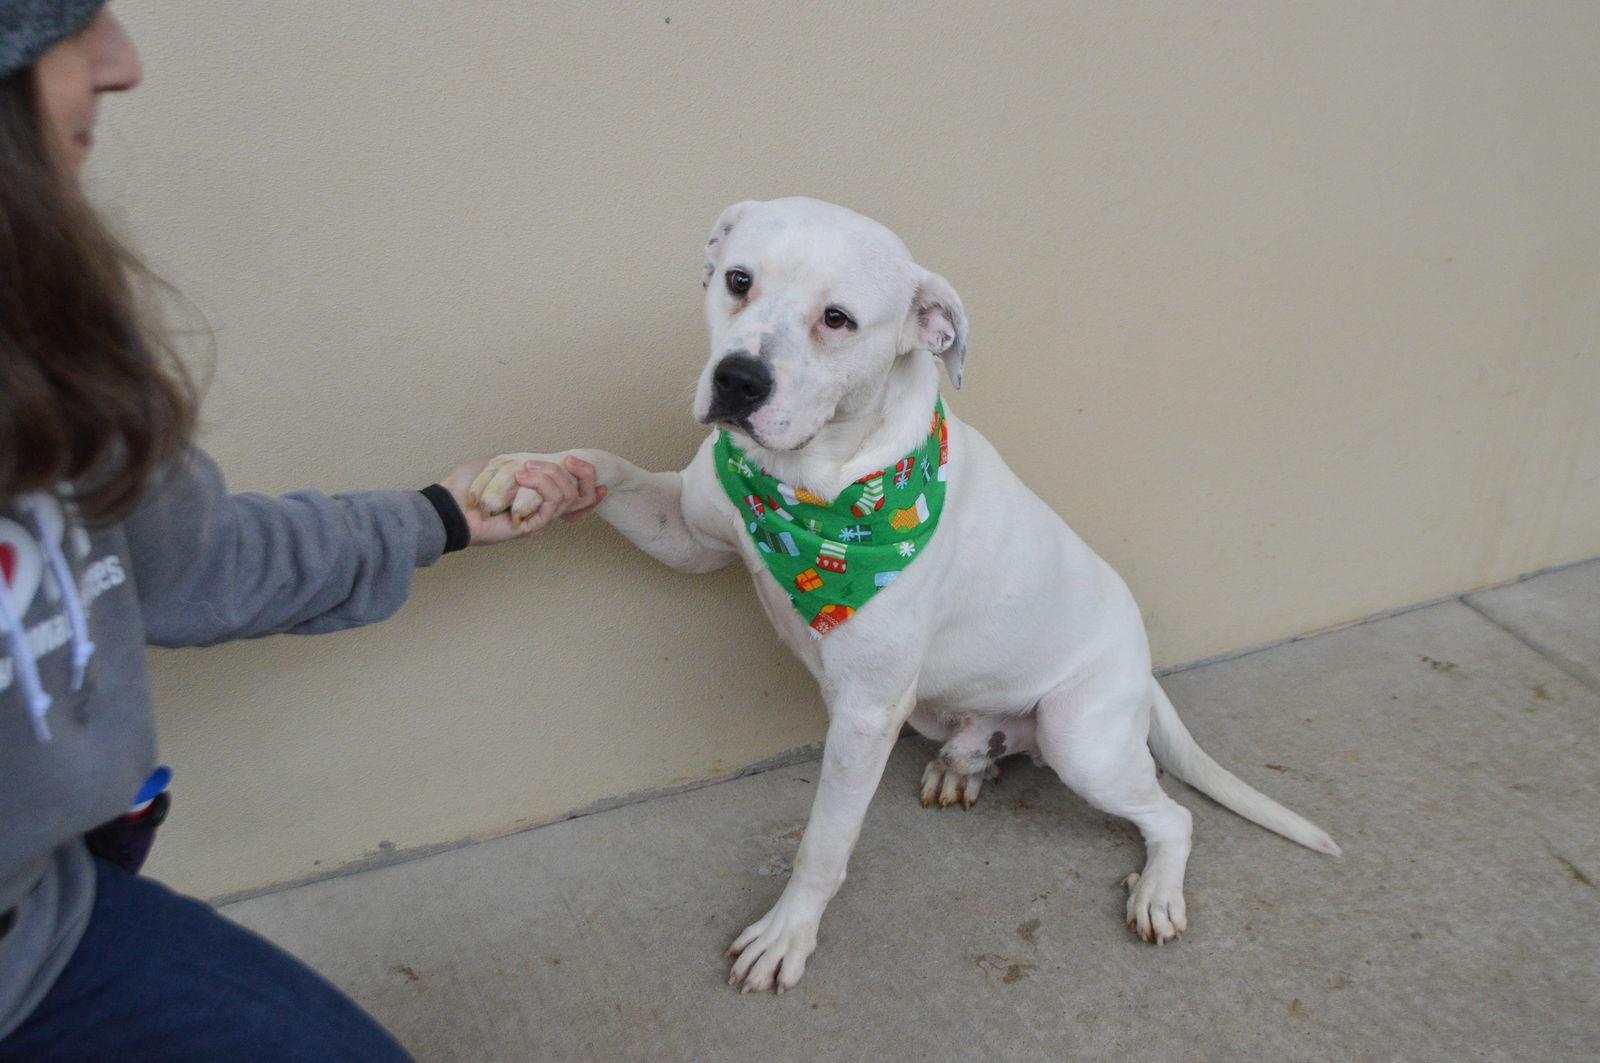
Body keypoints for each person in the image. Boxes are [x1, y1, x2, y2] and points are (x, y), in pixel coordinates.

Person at [0, 4, 600, 1059]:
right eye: (61, 23)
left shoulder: (46, 328)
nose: (121, 62)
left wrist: (438, 515)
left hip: (38, 933)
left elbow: (196, 561)